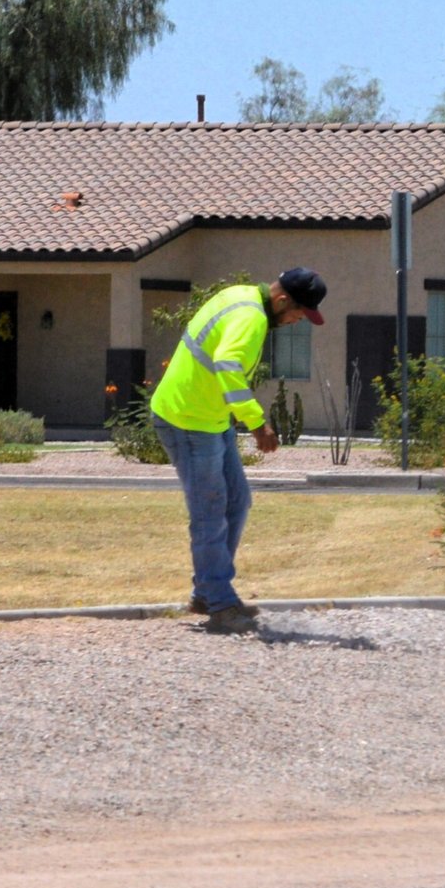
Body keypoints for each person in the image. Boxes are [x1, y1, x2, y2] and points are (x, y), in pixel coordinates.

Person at [149, 267, 327, 634]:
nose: (297, 322)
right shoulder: (251, 317)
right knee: (210, 511)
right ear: (282, 301)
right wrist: (257, 423)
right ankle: (219, 603)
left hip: (210, 419)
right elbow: (227, 367)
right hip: (188, 420)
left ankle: (208, 591)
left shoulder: (242, 296)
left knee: (237, 501)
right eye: (298, 314)